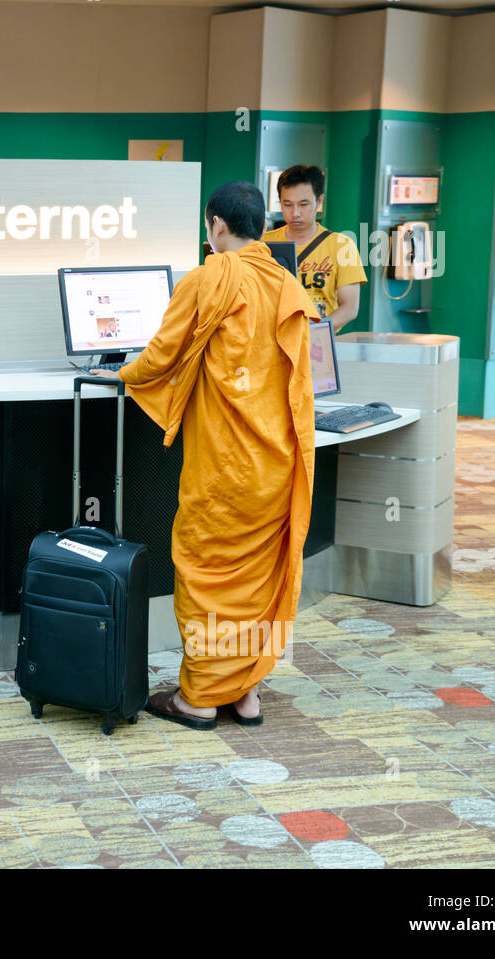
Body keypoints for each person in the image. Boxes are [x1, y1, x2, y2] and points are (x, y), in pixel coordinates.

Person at [92, 181, 318, 728]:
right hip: (279, 465)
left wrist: (117, 374)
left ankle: (197, 698)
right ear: (262, 225)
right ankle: (245, 694)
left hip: (224, 468)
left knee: (204, 569)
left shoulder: (206, 278)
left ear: (215, 224)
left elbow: (159, 358)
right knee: (258, 580)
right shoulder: (287, 285)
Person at [262, 165, 366, 332]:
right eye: (287, 204)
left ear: (319, 201)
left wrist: (314, 331)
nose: (295, 213)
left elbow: (349, 308)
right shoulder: (263, 244)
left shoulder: (342, 246)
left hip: (319, 343)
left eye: (303, 204)